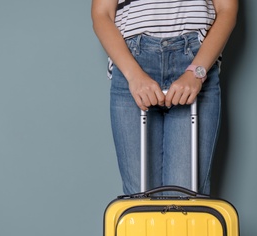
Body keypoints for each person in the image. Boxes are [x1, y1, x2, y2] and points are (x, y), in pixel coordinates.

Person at [91, 0, 238, 195]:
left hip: (195, 59)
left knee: (186, 197)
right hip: (133, 62)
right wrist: (134, 75)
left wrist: (196, 72)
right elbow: (102, 14)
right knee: (139, 198)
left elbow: (226, 9)